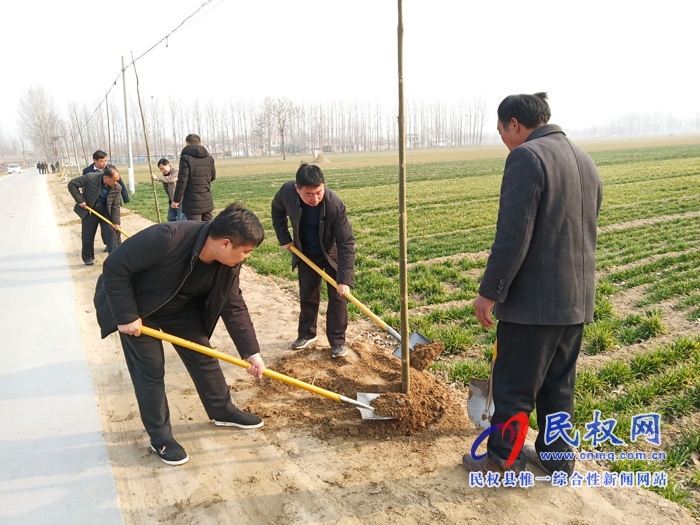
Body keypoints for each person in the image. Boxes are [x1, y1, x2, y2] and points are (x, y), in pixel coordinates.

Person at [462, 92, 603, 476]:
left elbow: (513, 236)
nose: (504, 141)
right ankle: (558, 461)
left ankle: (503, 461)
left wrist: (490, 292)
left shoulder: (526, 157)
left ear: (515, 124)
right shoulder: (585, 160)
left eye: (502, 132)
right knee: (558, 387)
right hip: (575, 303)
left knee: (513, 389)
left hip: (532, 306)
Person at [93, 203, 266, 466]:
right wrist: (126, 316)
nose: (247, 257)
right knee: (150, 370)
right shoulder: (168, 237)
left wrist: (251, 352)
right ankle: (160, 437)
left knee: (203, 356)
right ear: (226, 243)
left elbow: (233, 304)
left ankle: (223, 411)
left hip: (180, 306)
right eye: (246, 252)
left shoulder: (229, 263)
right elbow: (115, 267)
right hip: (139, 309)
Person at [271, 163, 356, 358]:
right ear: (297, 189)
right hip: (306, 252)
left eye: (319, 192)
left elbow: (346, 242)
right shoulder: (286, 193)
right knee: (308, 294)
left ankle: (337, 341)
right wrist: (284, 238)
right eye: (309, 194)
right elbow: (277, 210)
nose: (315, 198)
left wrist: (344, 279)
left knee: (338, 297)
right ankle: (306, 334)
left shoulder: (334, 204)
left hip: (331, 252)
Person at [67, 166, 123, 266]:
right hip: (90, 210)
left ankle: (114, 258)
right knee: (87, 235)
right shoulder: (90, 177)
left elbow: (115, 206)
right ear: (106, 177)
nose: (115, 183)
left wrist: (116, 222)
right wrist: (80, 200)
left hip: (106, 211)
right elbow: (72, 184)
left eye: (117, 181)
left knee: (111, 233)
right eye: (114, 181)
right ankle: (88, 257)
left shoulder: (117, 187)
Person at [172, 134, 215, 221]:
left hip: (192, 202)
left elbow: (182, 181)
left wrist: (176, 200)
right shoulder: (209, 158)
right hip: (207, 199)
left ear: (187, 144)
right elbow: (212, 177)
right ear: (200, 144)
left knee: (195, 230)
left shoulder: (185, 158)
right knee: (209, 229)